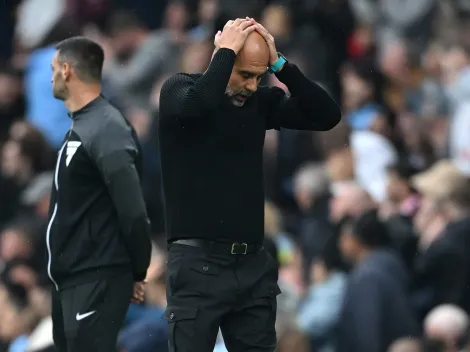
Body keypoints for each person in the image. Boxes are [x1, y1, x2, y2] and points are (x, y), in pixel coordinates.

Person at [158, 17, 341, 352]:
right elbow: (196, 104)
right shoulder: (178, 90)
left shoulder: (259, 103)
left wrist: (280, 65)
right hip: (198, 265)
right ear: (222, 59)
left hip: (252, 266)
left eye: (259, 76)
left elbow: (326, 115)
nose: (252, 85)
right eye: (245, 74)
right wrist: (225, 52)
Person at [47, 36, 152, 351]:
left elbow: (133, 209)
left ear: (67, 71)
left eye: (53, 69)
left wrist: (137, 269)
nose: (50, 76)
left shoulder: (106, 127)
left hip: (96, 276)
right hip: (71, 279)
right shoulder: (82, 127)